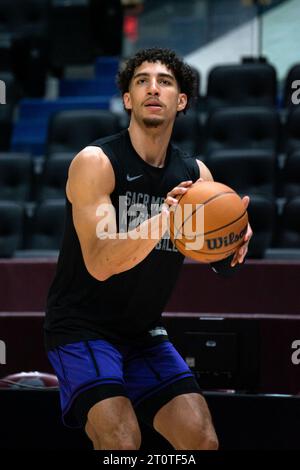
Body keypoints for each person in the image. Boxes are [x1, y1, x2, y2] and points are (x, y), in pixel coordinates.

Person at [44, 47, 252, 450]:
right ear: (128, 99)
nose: (153, 89)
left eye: (165, 82)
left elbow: (216, 262)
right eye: (142, 81)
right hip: (80, 326)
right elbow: (101, 262)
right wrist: (164, 219)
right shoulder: (96, 162)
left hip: (142, 330)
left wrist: (231, 249)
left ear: (182, 100)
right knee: (122, 442)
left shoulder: (196, 177)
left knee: (202, 441)